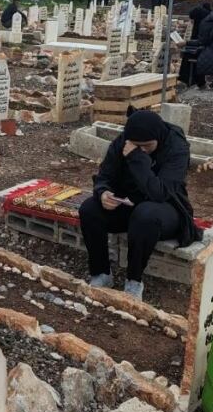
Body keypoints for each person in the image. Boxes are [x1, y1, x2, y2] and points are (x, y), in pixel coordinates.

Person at [78, 110, 201, 301]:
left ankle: (134, 281)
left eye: (147, 147)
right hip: (129, 204)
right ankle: (101, 273)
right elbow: (104, 176)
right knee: (89, 209)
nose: (142, 150)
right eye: (137, 146)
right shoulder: (123, 142)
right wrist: (103, 193)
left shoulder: (177, 148)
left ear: (158, 138)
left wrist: (137, 157)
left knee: (145, 215)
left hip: (166, 210)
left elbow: (159, 192)